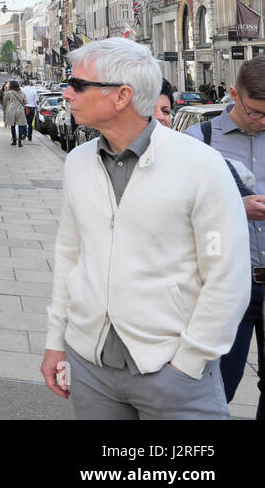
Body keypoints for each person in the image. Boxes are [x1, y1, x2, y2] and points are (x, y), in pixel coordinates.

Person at [41, 38, 250, 418]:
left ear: (122, 96)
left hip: (172, 370)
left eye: (78, 84)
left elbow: (227, 275)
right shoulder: (78, 162)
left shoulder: (200, 165)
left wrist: (190, 361)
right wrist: (57, 341)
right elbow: (69, 254)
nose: (67, 93)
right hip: (91, 366)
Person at [193, 58, 265, 420]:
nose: (263, 121)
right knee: (219, 385)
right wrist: (237, 207)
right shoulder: (198, 142)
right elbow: (174, 215)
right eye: (255, 112)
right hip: (228, 285)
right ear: (234, 94)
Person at [2, 81, 28, 147]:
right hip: (20, 111)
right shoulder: (22, 93)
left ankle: (14, 140)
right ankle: (19, 141)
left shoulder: (9, 93)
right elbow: (25, 102)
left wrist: (4, 108)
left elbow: (4, 101)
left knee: (12, 125)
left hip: (11, 110)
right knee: (21, 126)